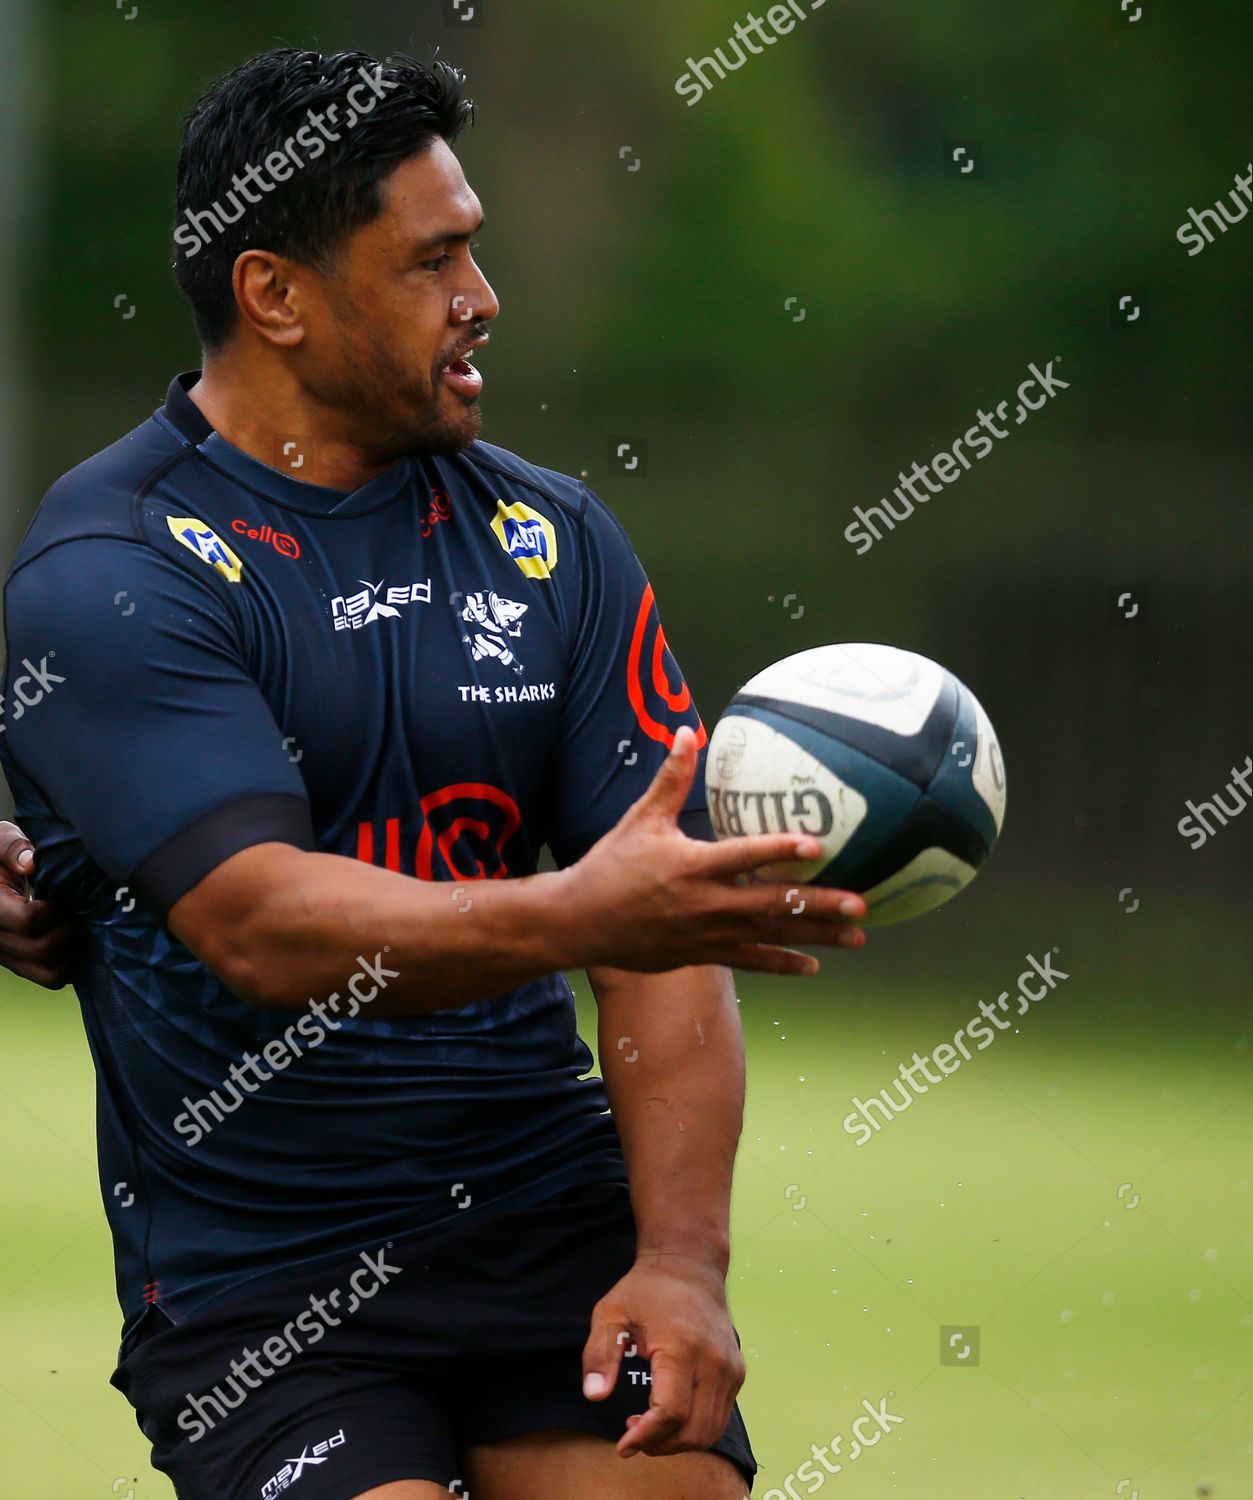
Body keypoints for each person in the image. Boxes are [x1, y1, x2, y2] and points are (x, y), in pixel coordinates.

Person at [0, 49, 867, 1500]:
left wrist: (680, 1261)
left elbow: (658, 942)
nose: (483, 300)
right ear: (274, 294)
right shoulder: (113, 569)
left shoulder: (552, 540)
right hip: (262, 1288)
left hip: (545, 1230)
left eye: (475, 248)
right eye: (433, 260)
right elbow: (265, 925)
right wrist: (586, 914)